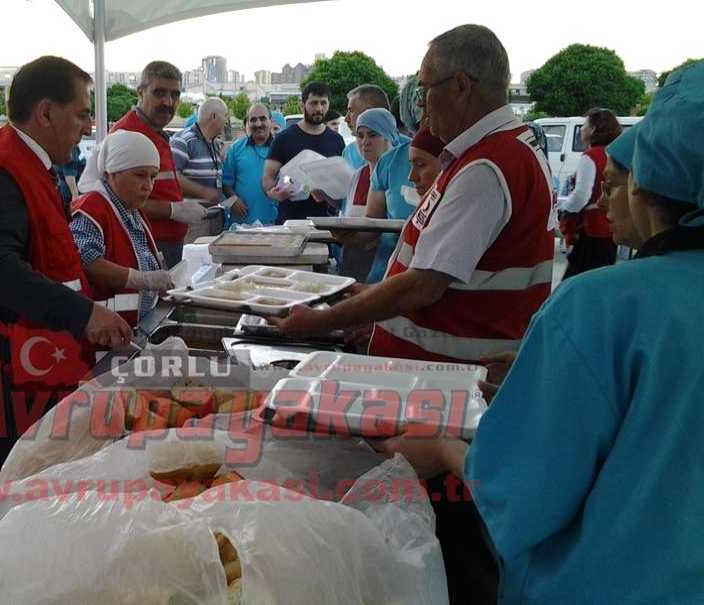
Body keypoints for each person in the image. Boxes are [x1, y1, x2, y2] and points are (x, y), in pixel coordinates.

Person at [372, 64, 704, 604]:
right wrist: (540, 382)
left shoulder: (597, 308)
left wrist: (443, 449)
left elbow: (522, 494)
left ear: (647, 182)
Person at [276, 25, 556, 604]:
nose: (421, 103)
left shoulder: (487, 167)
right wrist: (364, 305)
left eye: (426, 88)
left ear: (461, 84)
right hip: (437, 388)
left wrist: (320, 321)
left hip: (448, 396)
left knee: (451, 546)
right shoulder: (491, 153)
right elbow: (427, 271)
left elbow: (425, 286)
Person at [0, 56, 133, 482]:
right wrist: (83, 314)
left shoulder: (33, 165)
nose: (87, 126)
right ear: (45, 112)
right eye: (81, 114)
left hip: (32, 360)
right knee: (3, 481)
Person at [71, 131, 172, 341]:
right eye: (139, 175)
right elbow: (85, 261)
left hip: (133, 330)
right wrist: (141, 279)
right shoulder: (93, 208)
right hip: (102, 342)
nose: (148, 185)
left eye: (152, 176)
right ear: (111, 173)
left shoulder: (133, 211)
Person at [112, 61, 208, 268]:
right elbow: (118, 203)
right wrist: (173, 210)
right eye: (159, 93)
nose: (168, 102)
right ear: (140, 93)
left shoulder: (156, 133)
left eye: (175, 95)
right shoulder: (127, 135)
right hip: (145, 245)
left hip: (167, 244)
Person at [333, 108, 401, 280]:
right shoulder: (359, 175)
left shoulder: (402, 176)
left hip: (388, 267)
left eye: (372, 135)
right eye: (360, 136)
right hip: (354, 263)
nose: (365, 142)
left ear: (389, 136)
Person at [263, 81, 345, 223]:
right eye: (313, 103)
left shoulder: (337, 140)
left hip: (325, 224)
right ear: (303, 105)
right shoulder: (283, 139)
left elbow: (342, 182)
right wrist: (274, 194)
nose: (319, 108)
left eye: (323, 103)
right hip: (290, 223)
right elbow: (267, 178)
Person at [559, 107, 622, 278]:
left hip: (592, 228)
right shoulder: (615, 153)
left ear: (593, 129)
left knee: (576, 279)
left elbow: (582, 194)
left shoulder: (591, 156)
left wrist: (564, 208)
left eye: (585, 125)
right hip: (612, 226)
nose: (581, 129)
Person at [365, 109, 418, 282]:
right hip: (388, 269)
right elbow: (371, 224)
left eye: (373, 135)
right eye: (360, 135)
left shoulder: (462, 158)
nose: (413, 177)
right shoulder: (388, 163)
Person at [221, 103, 279, 225]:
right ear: (248, 123)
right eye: (253, 120)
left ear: (270, 121)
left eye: (262, 119)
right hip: (241, 225)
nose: (258, 124)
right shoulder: (235, 149)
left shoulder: (281, 148)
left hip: (274, 225)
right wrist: (233, 200)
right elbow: (225, 185)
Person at [170, 97, 228, 206]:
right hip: (192, 220)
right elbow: (172, 178)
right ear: (214, 116)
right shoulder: (183, 140)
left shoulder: (216, 144)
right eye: (225, 116)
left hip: (214, 217)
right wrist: (204, 192)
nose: (226, 122)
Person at [342, 84, 390, 169]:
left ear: (369, 112)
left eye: (351, 111)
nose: (346, 119)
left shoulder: (409, 150)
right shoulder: (349, 152)